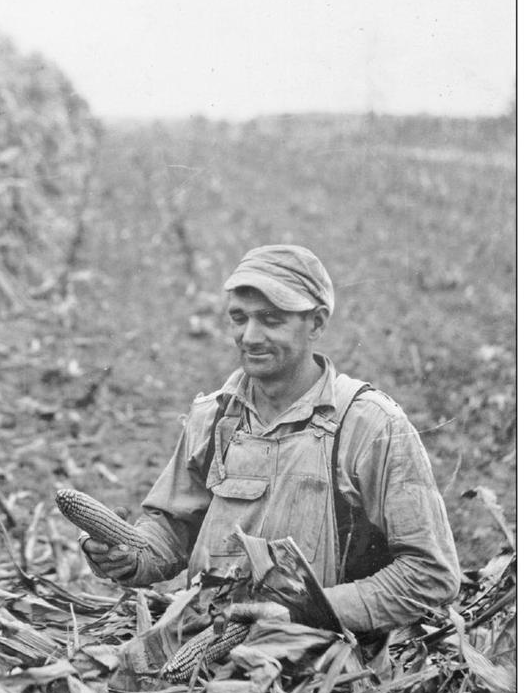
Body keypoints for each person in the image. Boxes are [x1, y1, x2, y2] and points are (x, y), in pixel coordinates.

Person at [80, 244, 461, 657]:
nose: (249, 336)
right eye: (238, 318)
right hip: (201, 646)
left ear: (316, 323)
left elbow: (431, 574)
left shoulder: (371, 426)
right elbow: (173, 529)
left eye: (271, 320)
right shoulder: (213, 416)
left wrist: (309, 611)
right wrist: (127, 554)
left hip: (321, 669)